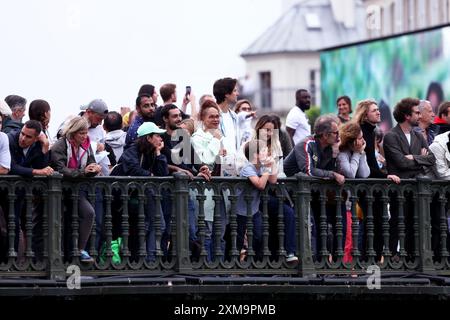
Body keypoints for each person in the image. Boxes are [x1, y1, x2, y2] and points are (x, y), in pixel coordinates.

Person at [384, 98, 436, 256]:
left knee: (416, 225)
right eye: (417, 112)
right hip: (399, 190)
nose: (419, 116)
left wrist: (413, 158)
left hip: (416, 189)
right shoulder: (391, 136)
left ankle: (413, 258)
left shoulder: (418, 136)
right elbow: (400, 163)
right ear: (407, 115)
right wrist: (420, 160)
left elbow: (431, 159)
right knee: (398, 224)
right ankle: (393, 258)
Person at [111, 122, 169, 262]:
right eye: (157, 136)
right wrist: (150, 176)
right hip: (124, 199)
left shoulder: (152, 152)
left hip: (142, 197)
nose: (161, 139)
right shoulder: (132, 150)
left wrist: (158, 153)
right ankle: (148, 260)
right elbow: (132, 168)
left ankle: (149, 260)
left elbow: (163, 174)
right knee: (155, 225)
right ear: (148, 138)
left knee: (154, 225)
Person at [50, 116, 101, 263]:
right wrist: (83, 172)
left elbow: (91, 161)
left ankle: (79, 250)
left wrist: (94, 168)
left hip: (76, 189)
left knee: (89, 213)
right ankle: (56, 254)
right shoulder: (60, 146)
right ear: (72, 133)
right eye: (81, 133)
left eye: (86, 133)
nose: (85, 136)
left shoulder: (86, 143)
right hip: (58, 189)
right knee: (58, 221)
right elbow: (61, 169)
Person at [8, 120, 53, 260]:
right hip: (7, 189)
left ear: (36, 138)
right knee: (11, 225)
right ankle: (10, 261)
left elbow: (43, 167)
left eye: (28, 137)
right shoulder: (10, 139)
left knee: (20, 225)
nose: (23, 138)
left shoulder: (38, 145)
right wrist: (36, 171)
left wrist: (45, 147)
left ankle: (18, 261)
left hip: (21, 192)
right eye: (22, 133)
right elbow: (11, 167)